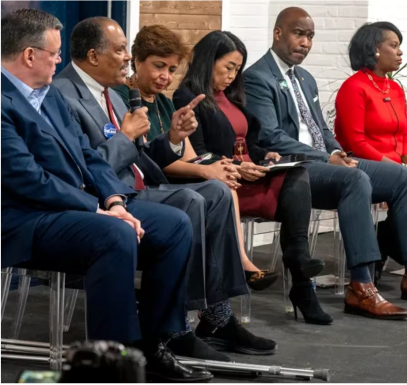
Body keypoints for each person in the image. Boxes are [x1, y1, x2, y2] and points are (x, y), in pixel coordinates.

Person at [1, 9, 211, 382]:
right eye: (53, 53)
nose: (59, 61)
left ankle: (154, 344)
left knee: (175, 224)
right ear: (29, 55)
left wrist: (114, 200)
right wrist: (98, 210)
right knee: (114, 233)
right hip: (25, 219)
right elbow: (27, 180)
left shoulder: (47, 96)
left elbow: (88, 157)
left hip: (78, 209)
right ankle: (114, 362)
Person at [53, 17, 277, 357]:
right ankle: (176, 327)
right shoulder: (67, 94)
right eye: (121, 50)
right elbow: (82, 167)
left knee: (216, 194)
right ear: (94, 55)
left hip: (138, 185)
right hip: (106, 197)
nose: (127, 58)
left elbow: (142, 159)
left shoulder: (108, 94)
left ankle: (217, 314)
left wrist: (173, 138)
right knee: (190, 200)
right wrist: (128, 136)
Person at [243, 7, 407, 321]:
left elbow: (321, 129)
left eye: (310, 36)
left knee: (402, 179)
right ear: (278, 32)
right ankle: (361, 285)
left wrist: (339, 153)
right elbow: (271, 137)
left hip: (326, 161)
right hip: (294, 167)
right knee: (356, 180)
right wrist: (328, 157)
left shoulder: (305, 79)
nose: (305, 42)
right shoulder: (257, 77)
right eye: (298, 33)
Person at [169, 30, 328, 325]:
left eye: (237, 69)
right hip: (223, 179)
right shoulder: (188, 97)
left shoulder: (230, 96)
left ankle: (298, 263)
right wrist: (238, 166)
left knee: (297, 174)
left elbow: (246, 142)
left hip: (248, 173)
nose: (233, 75)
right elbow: (199, 153)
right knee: (294, 185)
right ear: (208, 61)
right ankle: (302, 284)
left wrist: (265, 155)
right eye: (228, 67)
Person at [113, 25, 280, 289]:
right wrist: (207, 171)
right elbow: (144, 160)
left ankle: (218, 292)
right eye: (158, 66)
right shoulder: (120, 98)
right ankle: (227, 277)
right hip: (145, 185)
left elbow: (191, 157)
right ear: (136, 60)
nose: (165, 77)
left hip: (169, 181)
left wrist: (219, 165)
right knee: (216, 188)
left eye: (171, 70)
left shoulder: (166, 104)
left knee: (221, 184)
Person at [335, 22, 407, 285]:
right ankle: (405, 263)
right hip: (364, 166)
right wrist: (399, 168)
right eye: (393, 46)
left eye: (399, 47)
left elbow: (405, 135)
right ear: (375, 49)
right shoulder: (355, 87)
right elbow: (355, 143)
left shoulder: (394, 88)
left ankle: (382, 246)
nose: (400, 53)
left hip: (398, 166)